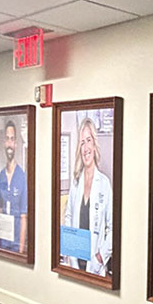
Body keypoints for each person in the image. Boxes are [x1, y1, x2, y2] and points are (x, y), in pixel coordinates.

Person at [61, 117, 113, 275]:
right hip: (76, 259)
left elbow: (112, 228)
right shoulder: (76, 182)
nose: (85, 147)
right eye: (82, 142)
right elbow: (68, 217)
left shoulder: (104, 183)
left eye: (88, 140)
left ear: (94, 144)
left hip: (95, 264)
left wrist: (100, 257)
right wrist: (69, 252)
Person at [0, 120, 27, 253]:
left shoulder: (22, 176)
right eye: (7, 139)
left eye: (12, 139)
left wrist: (21, 249)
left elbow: (24, 217)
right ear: (4, 143)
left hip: (16, 242)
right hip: (2, 240)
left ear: (16, 144)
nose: (9, 143)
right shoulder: (1, 175)